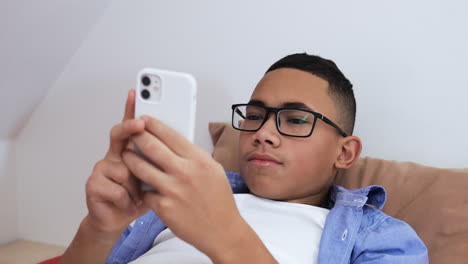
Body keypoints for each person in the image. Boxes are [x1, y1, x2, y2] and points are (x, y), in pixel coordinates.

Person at [59, 53, 428, 264]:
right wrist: (99, 228)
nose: (263, 133)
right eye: (254, 115)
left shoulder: (382, 238)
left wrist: (225, 235)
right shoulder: (167, 203)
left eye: (295, 119)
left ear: (344, 153)